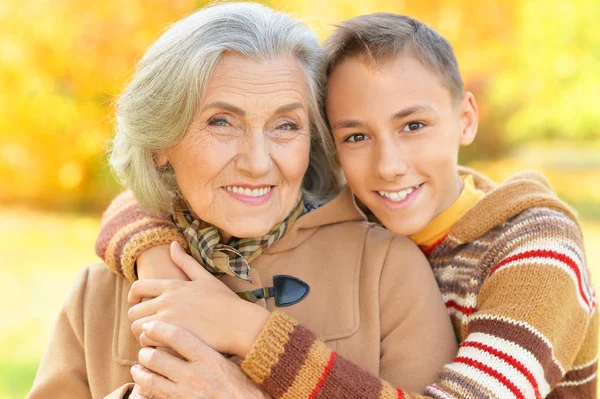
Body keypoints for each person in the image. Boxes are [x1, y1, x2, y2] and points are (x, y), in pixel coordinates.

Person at [97, 11, 598, 399]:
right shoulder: (363, 211)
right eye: (356, 135)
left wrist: (248, 333)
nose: (389, 166)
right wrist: (155, 256)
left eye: (413, 126)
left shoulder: (537, 254)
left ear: (466, 119)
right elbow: (174, 190)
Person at [26, 4, 458, 399]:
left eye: (285, 125)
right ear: (161, 142)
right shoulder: (100, 291)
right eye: (222, 122)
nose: (256, 162)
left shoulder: (386, 270)